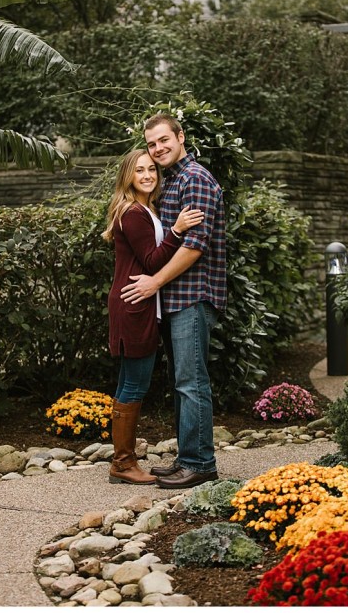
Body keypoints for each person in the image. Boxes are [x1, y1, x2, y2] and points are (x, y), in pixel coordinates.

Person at [121, 114, 227, 489]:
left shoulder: (195, 178)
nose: (158, 148)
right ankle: (187, 458)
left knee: (191, 382)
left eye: (164, 140)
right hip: (175, 299)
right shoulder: (172, 183)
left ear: (180, 137)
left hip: (192, 296)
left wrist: (154, 283)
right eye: (152, 144)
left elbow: (194, 247)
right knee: (182, 382)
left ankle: (200, 463)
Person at [103, 150, 203, 485]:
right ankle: (123, 463)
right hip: (134, 305)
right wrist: (176, 230)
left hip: (138, 304)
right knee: (134, 383)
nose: (147, 175)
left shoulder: (145, 208)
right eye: (139, 170)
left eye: (151, 169)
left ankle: (123, 461)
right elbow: (151, 260)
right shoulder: (133, 213)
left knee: (128, 382)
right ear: (127, 175)